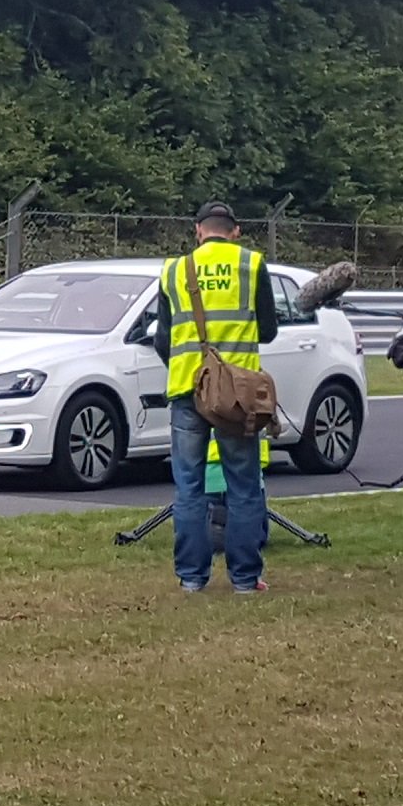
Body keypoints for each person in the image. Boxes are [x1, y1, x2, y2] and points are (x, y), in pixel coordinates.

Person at [153, 201, 278, 592]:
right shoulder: (252, 265)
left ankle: (191, 579)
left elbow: (161, 338)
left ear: (198, 230)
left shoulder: (174, 270)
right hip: (236, 395)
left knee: (189, 487)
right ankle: (244, 578)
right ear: (235, 231)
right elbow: (269, 330)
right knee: (243, 485)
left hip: (187, 387)